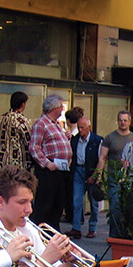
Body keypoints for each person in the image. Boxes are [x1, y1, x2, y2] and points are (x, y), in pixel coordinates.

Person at [29, 94, 72, 231]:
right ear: (54, 108)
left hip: (61, 169)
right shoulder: (41, 123)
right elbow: (34, 147)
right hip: (49, 169)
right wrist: (47, 163)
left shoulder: (56, 124)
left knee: (58, 204)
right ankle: (41, 232)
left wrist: (66, 138)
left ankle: (53, 231)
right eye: (61, 107)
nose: (62, 110)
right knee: (45, 204)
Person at [67, 117, 103, 239]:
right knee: (77, 201)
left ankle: (92, 228)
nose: (80, 130)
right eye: (78, 127)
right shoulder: (76, 139)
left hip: (91, 170)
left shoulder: (97, 140)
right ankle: (76, 228)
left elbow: (101, 159)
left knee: (94, 203)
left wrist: (96, 176)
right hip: (79, 170)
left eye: (82, 127)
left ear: (89, 128)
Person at [99, 110, 133, 238]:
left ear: (129, 121)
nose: (122, 123)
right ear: (117, 121)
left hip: (130, 179)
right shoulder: (110, 138)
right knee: (114, 208)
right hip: (114, 178)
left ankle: (126, 236)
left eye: (125, 120)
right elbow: (102, 157)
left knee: (129, 209)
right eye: (120, 120)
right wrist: (99, 175)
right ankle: (114, 236)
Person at [0, 91, 33, 172]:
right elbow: (29, 141)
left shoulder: (1, 118)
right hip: (17, 165)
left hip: (1, 162)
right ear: (23, 104)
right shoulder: (21, 120)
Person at [61, 107, 84, 225]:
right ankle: (77, 216)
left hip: (71, 166)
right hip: (74, 166)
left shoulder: (72, 135)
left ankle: (73, 216)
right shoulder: (75, 134)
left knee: (72, 193)